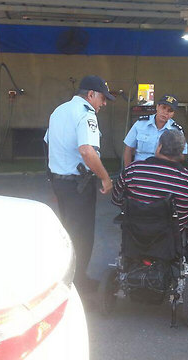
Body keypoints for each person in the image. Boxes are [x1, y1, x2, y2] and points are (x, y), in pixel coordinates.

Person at [44, 75, 115, 293]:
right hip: (78, 186)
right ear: (91, 94)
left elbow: (47, 142)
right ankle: (78, 286)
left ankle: (66, 278)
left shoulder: (59, 110)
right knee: (82, 235)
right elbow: (87, 150)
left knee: (67, 232)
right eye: (102, 98)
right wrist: (105, 177)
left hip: (60, 182)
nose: (103, 104)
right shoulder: (86, 114)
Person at [113, 129, 188, 230]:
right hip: (172, 242)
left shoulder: (132, 171)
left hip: (134, 238)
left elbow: (117, 199)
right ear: (181, 153)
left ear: (159, 147)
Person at [123, 94, 188, 167]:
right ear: (157, 107)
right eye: (163, 108)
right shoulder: (140, 124)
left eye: (170, 110)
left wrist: (164, 158)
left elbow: (182, 155)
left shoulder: (176, 131)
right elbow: (128, 149)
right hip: (140, 169)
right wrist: (127, 171)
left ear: (173, 114)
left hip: (164, 170)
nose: (165, 112)